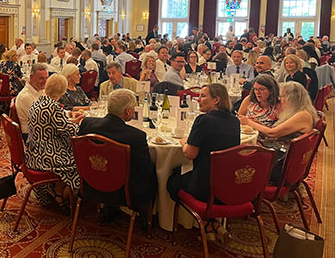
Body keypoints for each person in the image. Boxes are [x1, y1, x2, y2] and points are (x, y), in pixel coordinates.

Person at [167, 84, 240, 239]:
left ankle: (187, 222)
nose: (198, 99)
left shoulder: (204, 120)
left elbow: (189, 154)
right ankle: (211, 223)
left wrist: (183, 141)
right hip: (228, 185)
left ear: (216, 100)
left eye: (203, 96)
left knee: (172, 179)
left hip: (204, 188)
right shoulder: (235, 121)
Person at [78, 89, 157, 218]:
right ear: (128, 111)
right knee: (155, 172)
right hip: (122, 192)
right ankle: (146, 218)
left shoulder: (87, 124)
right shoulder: (136, 136)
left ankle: (109, 208)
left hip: (90, 183)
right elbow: (145, 169)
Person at [239, 82, 317, 184]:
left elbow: (272, 133)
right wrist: (258, 124)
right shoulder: (299, 112)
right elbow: (278, 130)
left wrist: (248, 122)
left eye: (282, 96)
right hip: (282, 152)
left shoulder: (303, 115)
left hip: (281, 163)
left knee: (242, 155)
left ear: (291, 97)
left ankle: (242, 187)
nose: (280, 99)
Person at [26, 74, 84, 207]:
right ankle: (66, 195)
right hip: (47, 155)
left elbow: (57, 125)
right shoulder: (53, 108)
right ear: (63, 91)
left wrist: (71, 121)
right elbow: (71, 131)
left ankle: (57, 189)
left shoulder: (39, 102)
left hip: (34, 152)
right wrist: (83, 124)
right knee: (81, 162)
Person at [237, 75, 280, 142]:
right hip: (247, 138)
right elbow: (238, 120)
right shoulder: (249, 100)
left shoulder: (278, 106)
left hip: (267, 143)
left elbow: (276, 134)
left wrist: (253, 123)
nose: (257, 92)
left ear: (271, 91)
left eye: (262, 89)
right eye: (255, 89)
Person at [15, 63, 48, 140]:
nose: (45, 81)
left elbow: (50, 111)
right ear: (31, 77)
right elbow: (41, 121)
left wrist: (69, 114)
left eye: (46, 78)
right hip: (33, 137)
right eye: (41, 78)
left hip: (41, 130)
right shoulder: (26, 97)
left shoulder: (40, 90)